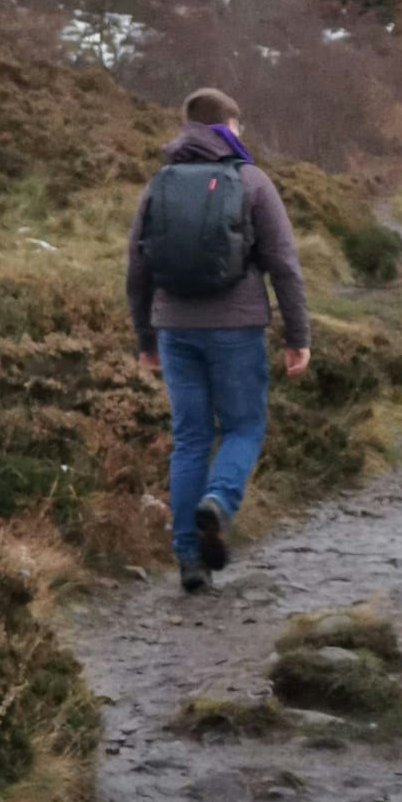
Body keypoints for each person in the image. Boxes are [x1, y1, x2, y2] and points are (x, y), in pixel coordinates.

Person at [127, 87, 311, 593]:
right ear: (227, 127)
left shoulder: (157, 184)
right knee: (244, 427)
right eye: (239, 127)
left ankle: (189, 557)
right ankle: (220, 501)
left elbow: (137, 269)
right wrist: (298, 335)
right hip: (236, 327)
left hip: (174, 330)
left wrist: (145, 339)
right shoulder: (251, 181)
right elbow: (284, 265)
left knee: (189, 438)